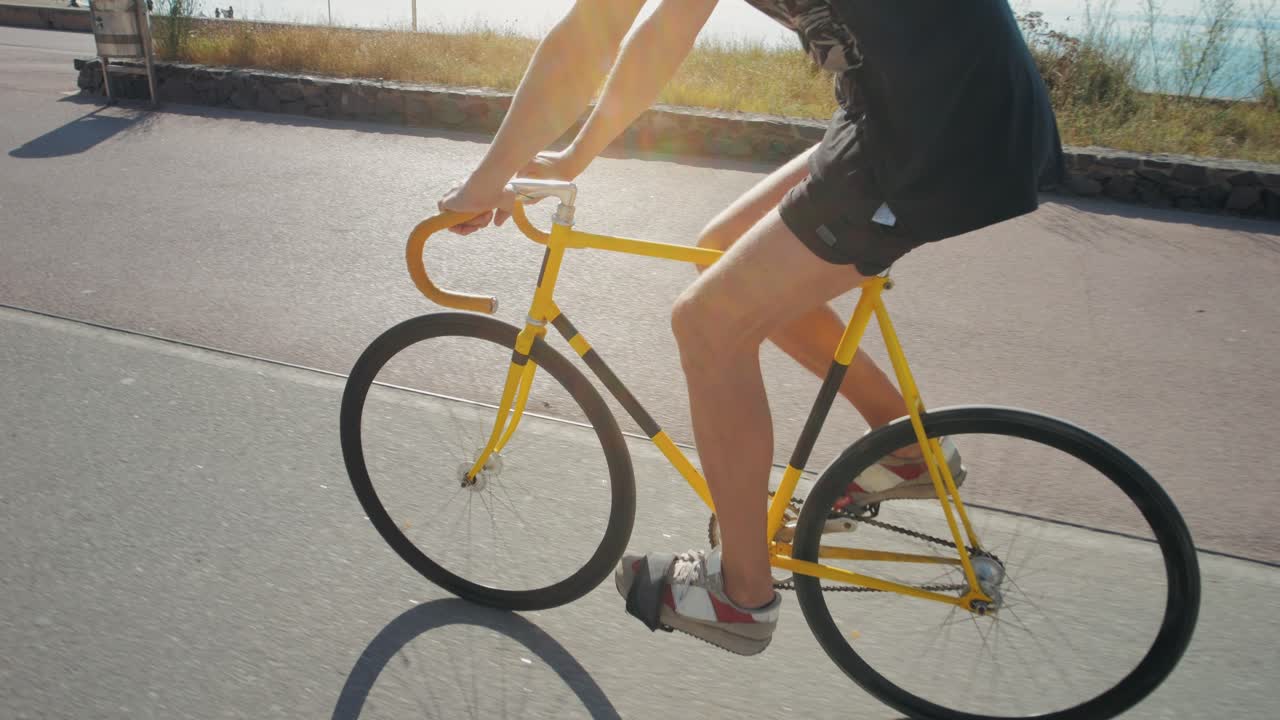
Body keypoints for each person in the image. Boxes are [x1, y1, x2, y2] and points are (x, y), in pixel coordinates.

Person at [438, 0, 1063, 656]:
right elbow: (656, 27)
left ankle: (740, 596)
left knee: (708, 325)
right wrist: (566, 160)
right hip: (918, 106)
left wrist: (486, 181)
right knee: (725, 248)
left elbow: (590, 36)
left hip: (932, 129)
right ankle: (907, 450)